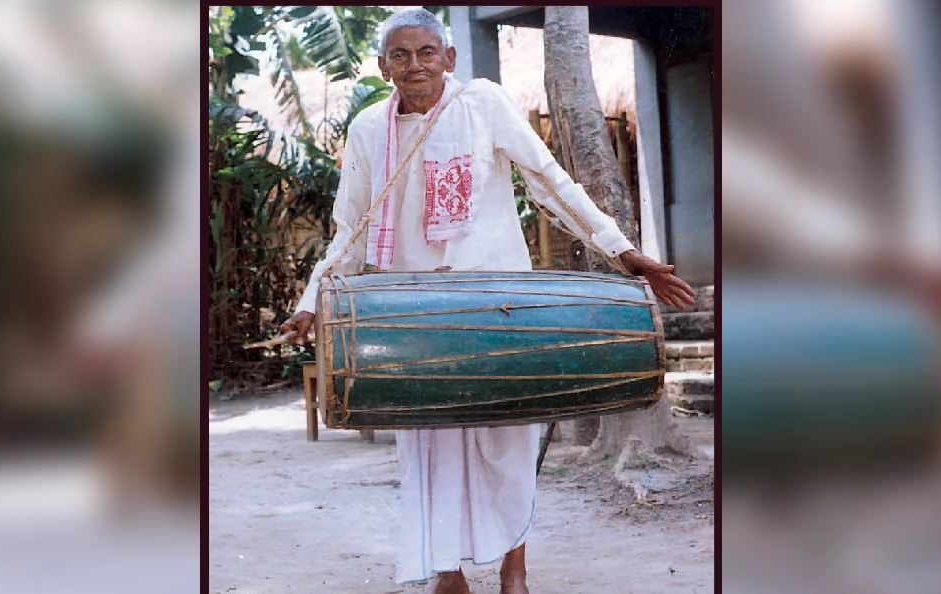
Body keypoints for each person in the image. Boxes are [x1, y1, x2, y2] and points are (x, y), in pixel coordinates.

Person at [280, 9, 695, 593]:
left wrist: (625, 254)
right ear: (382, 67)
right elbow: (349, 226)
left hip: (499, 298)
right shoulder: (370, 129)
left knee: (509, 444)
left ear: (449, 58)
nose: (414, 65)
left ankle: (513, 571)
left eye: (427, 51)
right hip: (413, 311)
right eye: (400, 55)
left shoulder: (486, 105)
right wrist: (310, 300)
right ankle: (448, 574)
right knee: (430, 449)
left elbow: (551, 181)